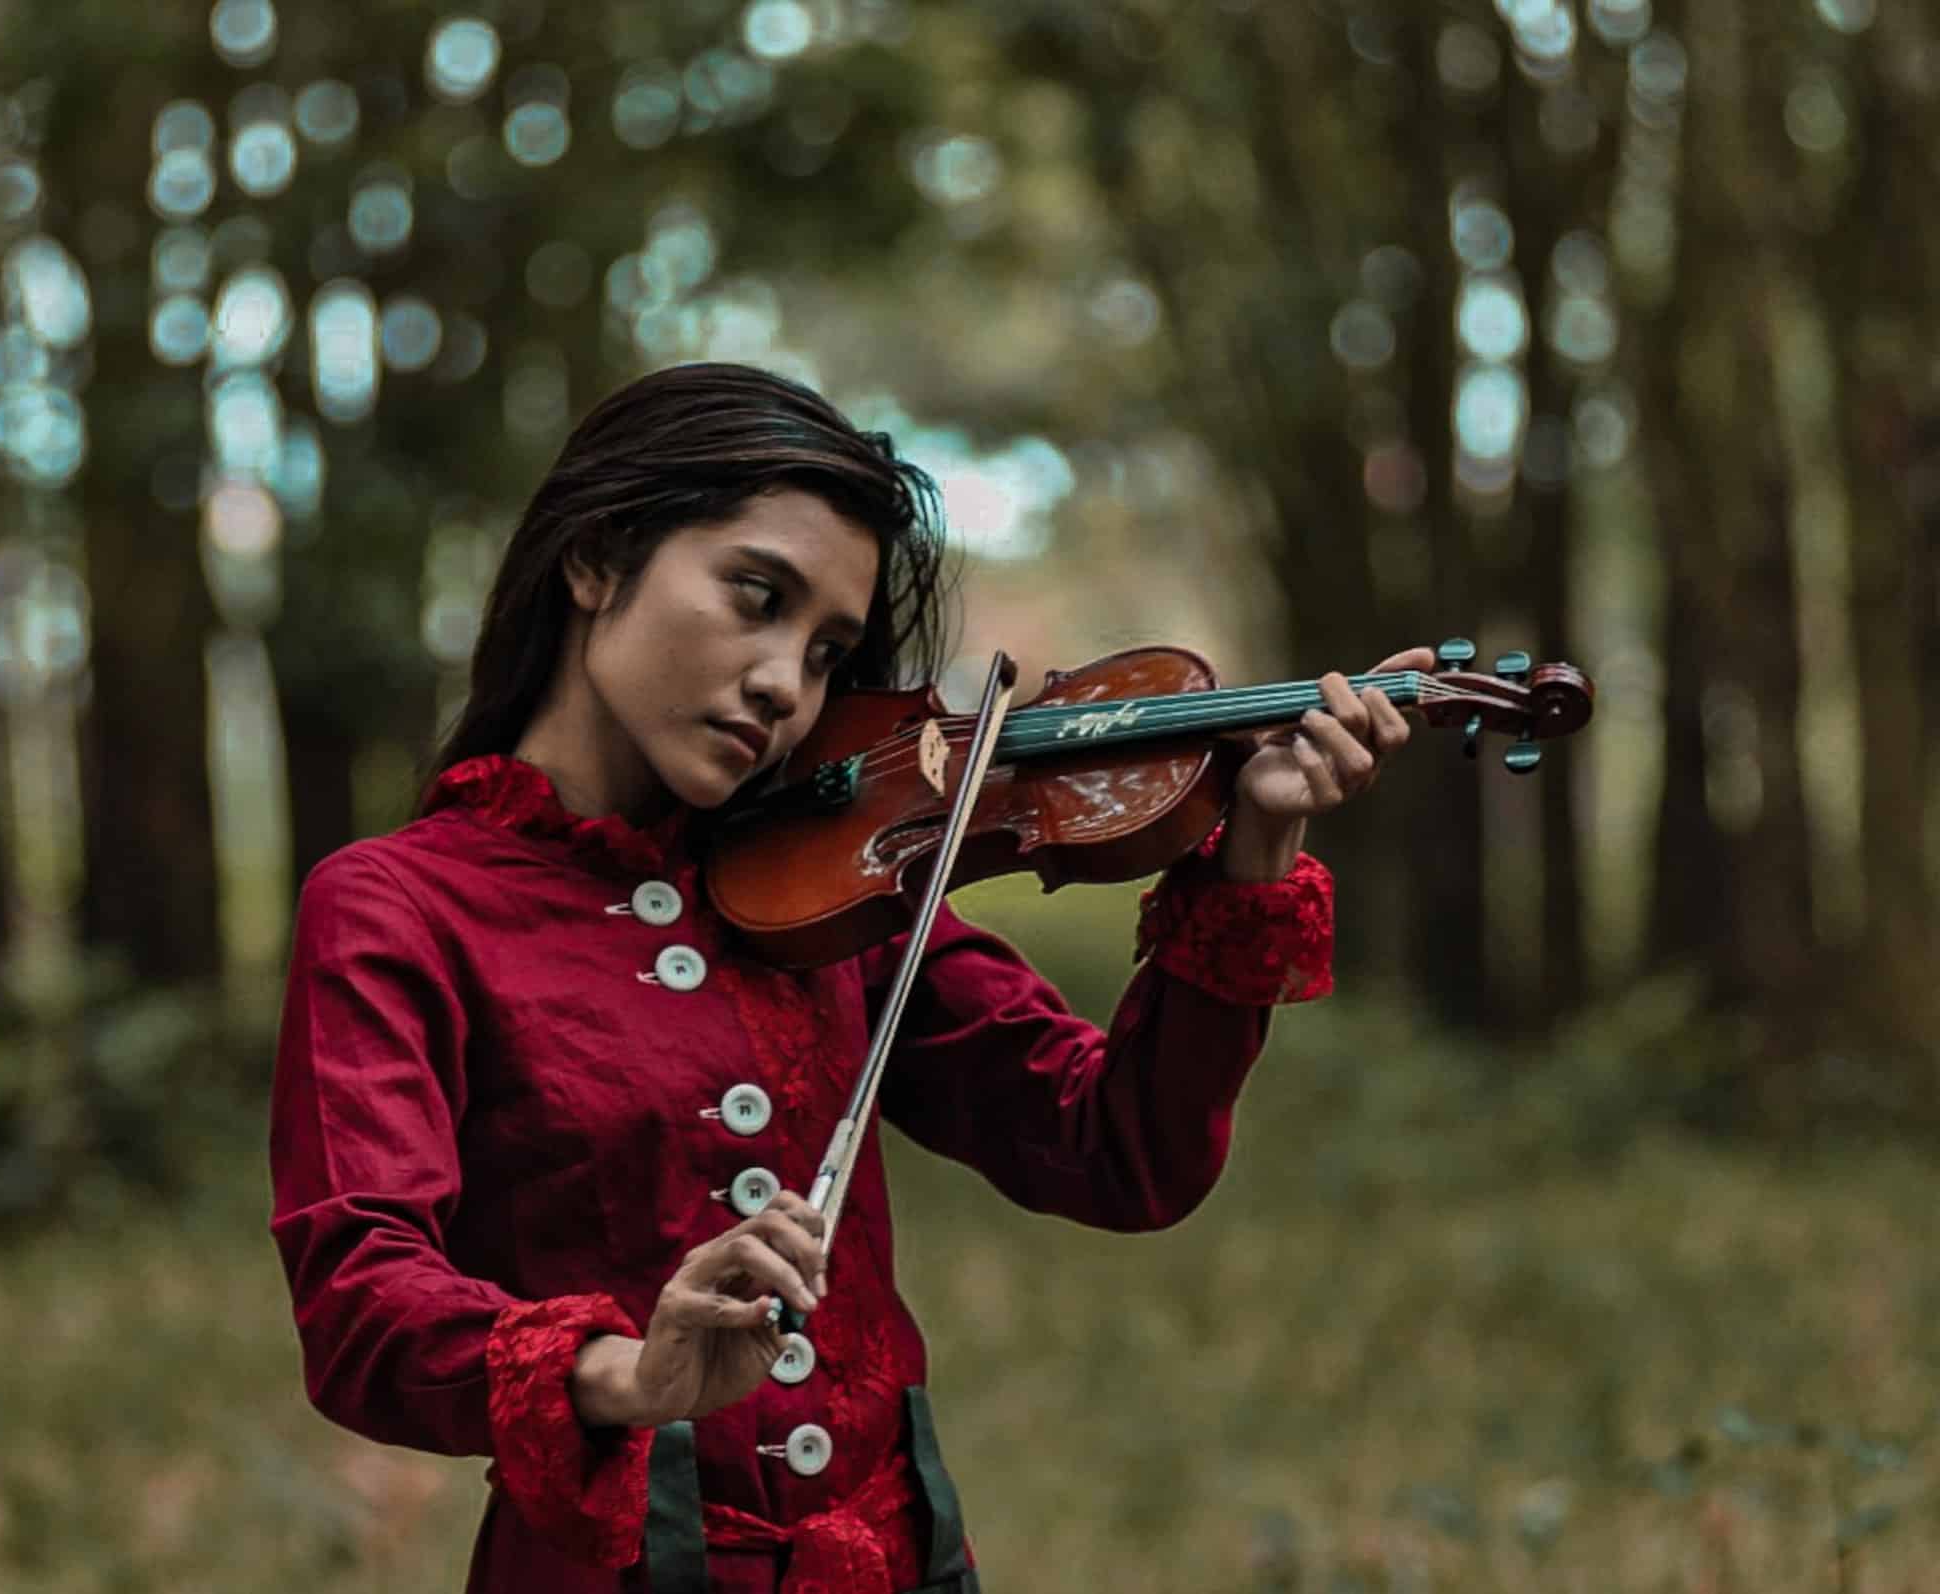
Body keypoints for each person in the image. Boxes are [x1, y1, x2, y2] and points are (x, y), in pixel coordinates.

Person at [268, 362, 1430, 1594]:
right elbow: (360, 1298)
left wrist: (1254, 847)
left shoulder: (829, 881)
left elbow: (1119, 1149)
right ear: (597, 557)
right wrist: (627, 1373)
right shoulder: (399, 906)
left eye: (827, 651)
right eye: (755, 597)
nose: (785, 685)